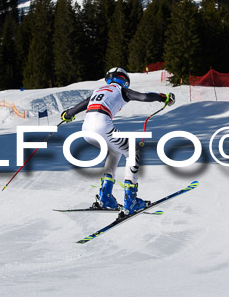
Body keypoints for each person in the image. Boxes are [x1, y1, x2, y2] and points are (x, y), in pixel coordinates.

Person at [61, 67, 175, 215]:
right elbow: (144, 97)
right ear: (124, 80)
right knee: (132, 150)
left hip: (86, 130)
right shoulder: (121, 89)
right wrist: (163, 97)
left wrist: (67, 114)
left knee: (115, 150)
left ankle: (105, 196)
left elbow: (80, 106)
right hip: (102, 126)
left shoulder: (98, 91)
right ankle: (131, 200)